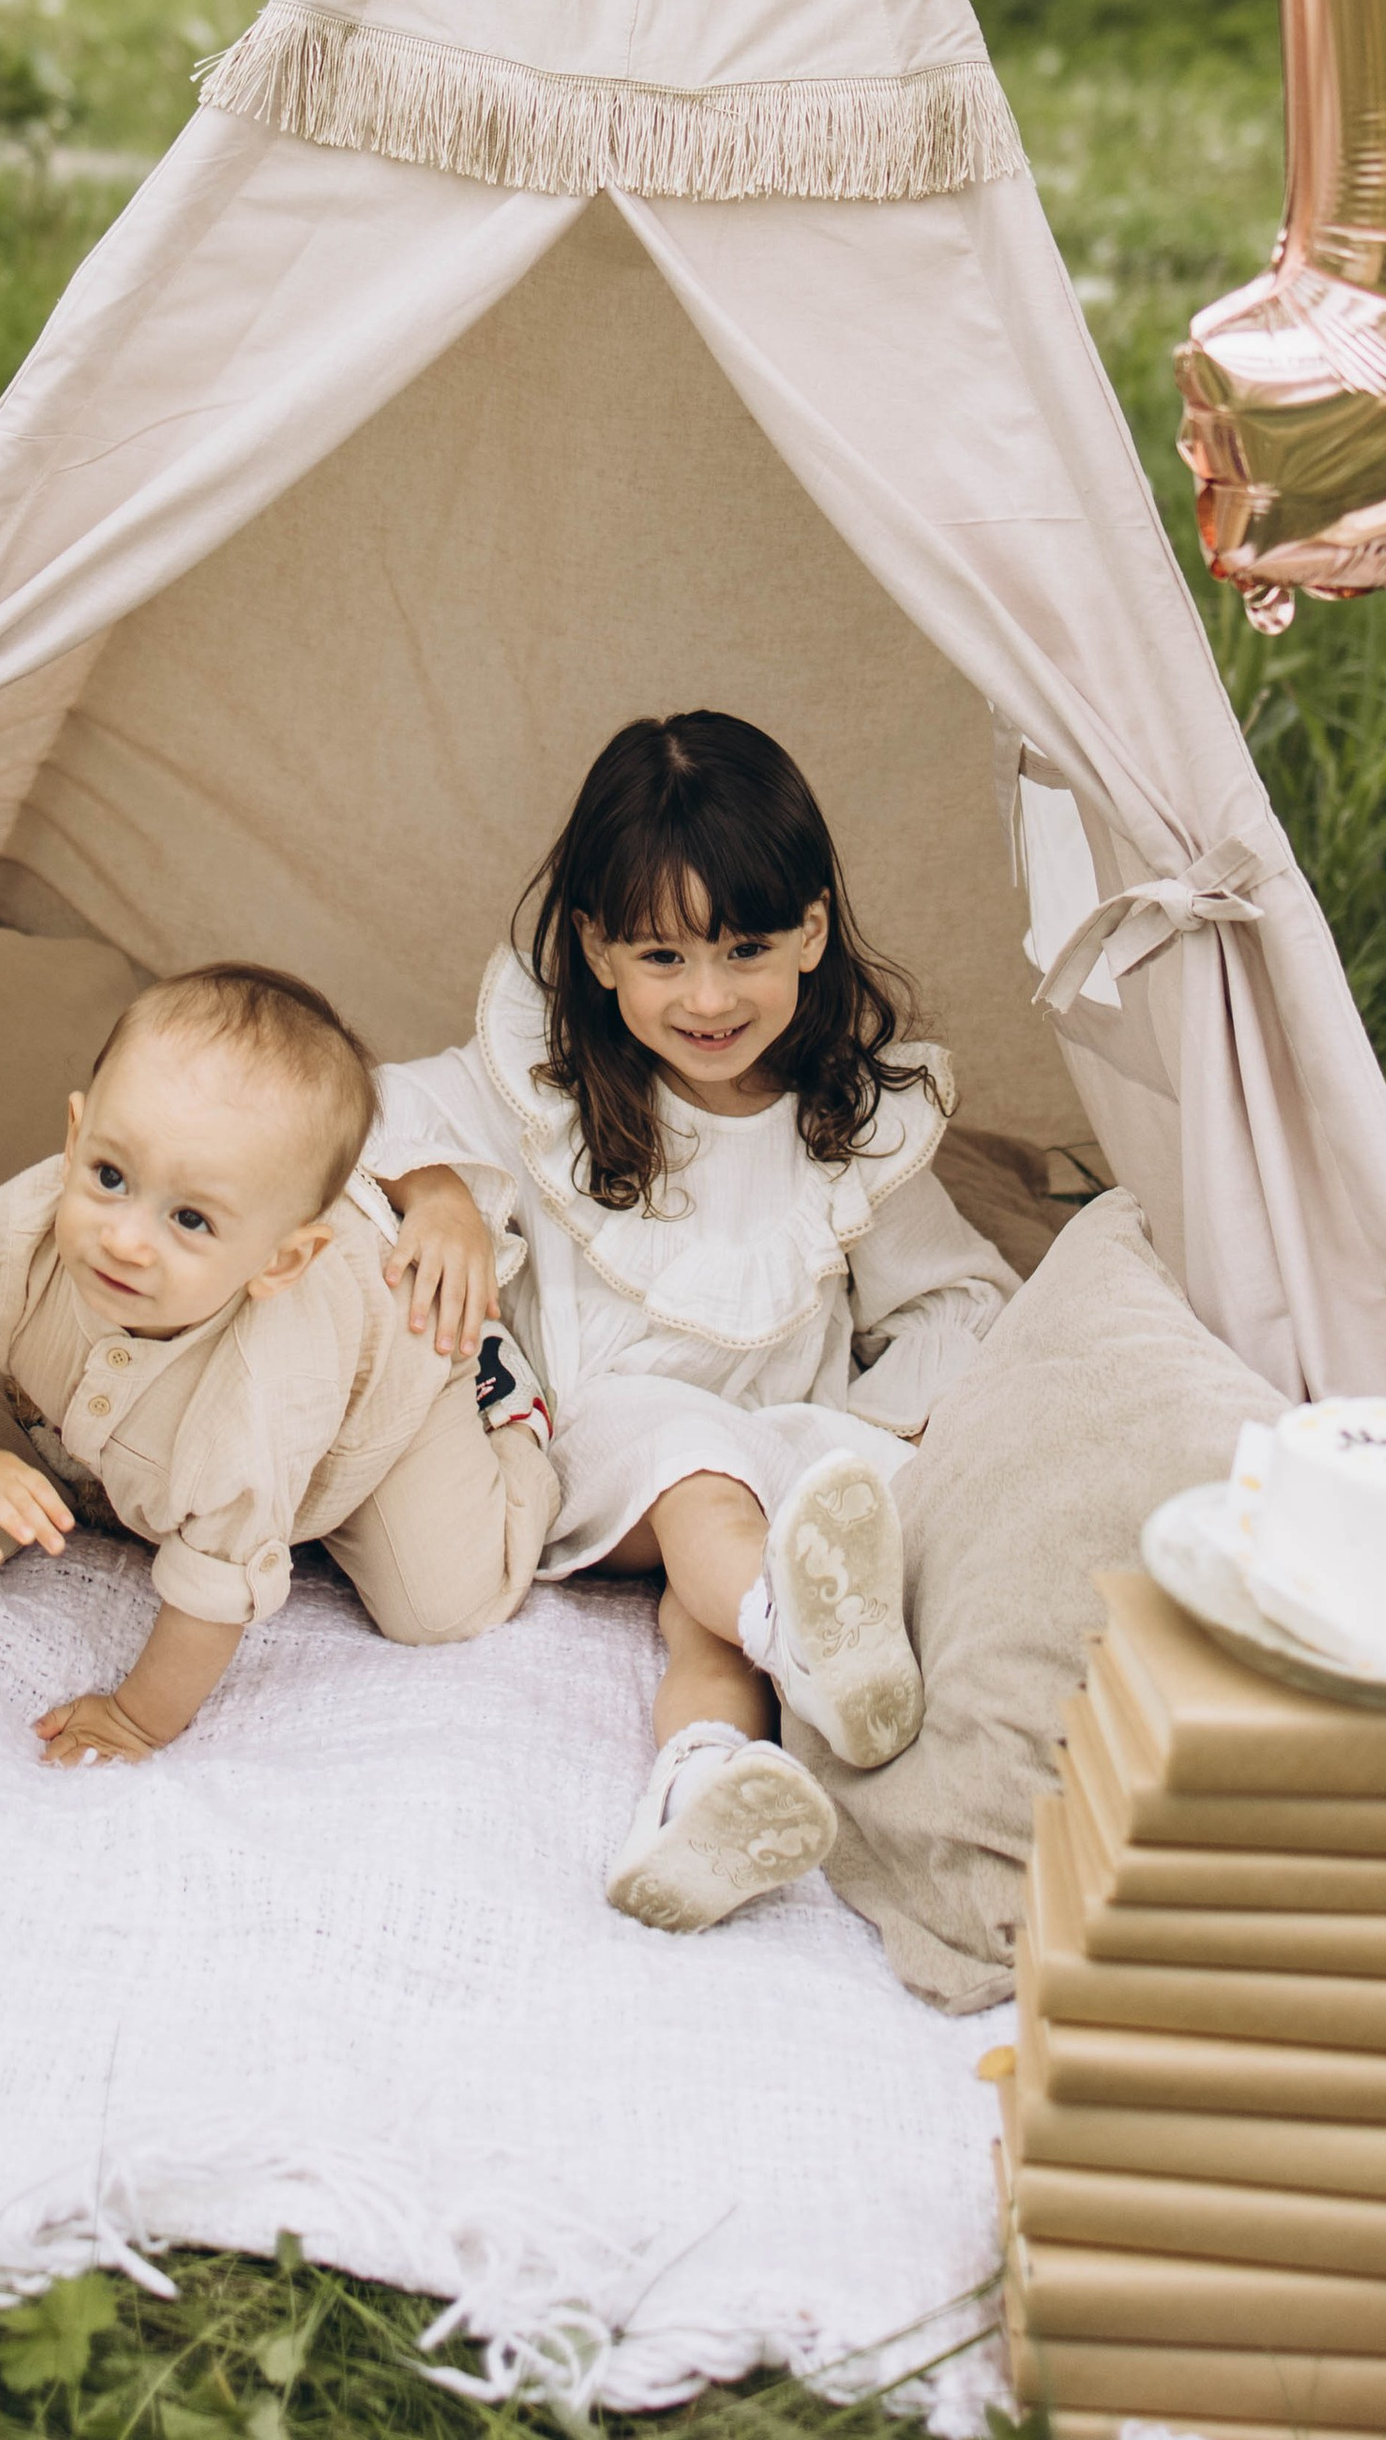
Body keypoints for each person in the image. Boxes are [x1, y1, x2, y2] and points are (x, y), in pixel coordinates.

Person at [369, 713, 1014, 1932]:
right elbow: (369, 1112)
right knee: (701, 1481)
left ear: (812, 932)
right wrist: (442, 1193)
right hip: (606, 1452)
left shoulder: (848, 1122)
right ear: (599, 950)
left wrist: (859, 1430)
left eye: (745, 950)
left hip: (754, 1476)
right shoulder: (550, 1082)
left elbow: (961, 1299)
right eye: (662, 957)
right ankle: (804, 1626)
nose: (707, 998)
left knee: (718, 1579)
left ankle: (704, 1780)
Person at [0, 961, 558, 1765]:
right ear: (75, 1136)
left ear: (280, 1262)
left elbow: (210, 1598)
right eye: (111, 1176)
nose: (125, 1236)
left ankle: (508, 1411)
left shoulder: (255, 1398)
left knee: (438, 1608)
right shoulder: (22, 1230)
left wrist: (134, 1720)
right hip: (271, 1326)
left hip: (394, 1383)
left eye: (189, 1217)